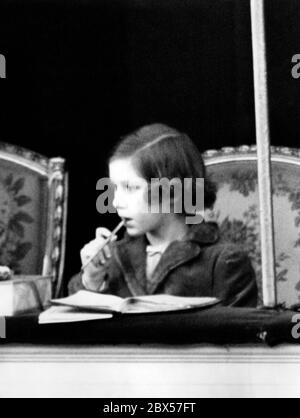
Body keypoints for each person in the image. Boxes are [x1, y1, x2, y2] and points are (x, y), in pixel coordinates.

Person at [69, 123, 258, 307]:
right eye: (114, 188)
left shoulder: (224, 261)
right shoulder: (112, 259)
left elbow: (238, 335)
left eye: (130, 187)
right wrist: (91, 280)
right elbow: (76, 330)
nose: (116, 202)